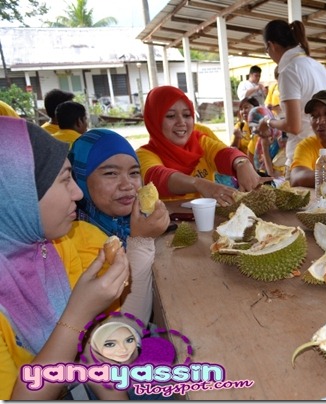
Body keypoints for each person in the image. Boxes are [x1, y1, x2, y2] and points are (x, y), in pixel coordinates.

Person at [0, 117, 130, 399]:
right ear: (16, 197)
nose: (78, 192)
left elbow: (93, 355)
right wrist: (78, 314)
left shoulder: (50, 246)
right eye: (63, 180)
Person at [69, 129, 170, 324]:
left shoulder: (130, 222)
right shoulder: (77, 241)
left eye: (134, 173)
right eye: (111, 173)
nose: (127, 185)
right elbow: (125, 329)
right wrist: (141, 241)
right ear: (79, 179)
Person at [136, 85, 268, 205]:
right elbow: (157, 177)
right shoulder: (144, 155)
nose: (181, 122)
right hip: (167, 226)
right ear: (154, 120)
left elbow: (223, 153)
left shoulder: (200, 141)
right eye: (171, 116)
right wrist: (198, 184)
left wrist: (242, 163)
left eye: (187, 115)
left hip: (209, 222)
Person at [260, 19, 326, 174]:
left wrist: (268, 121)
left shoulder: (289, 71)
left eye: (267, 50)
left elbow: (294, 126)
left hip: (303, 153)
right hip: (324, 150)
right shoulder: (318, 67)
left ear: (271, 45)